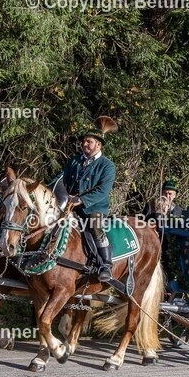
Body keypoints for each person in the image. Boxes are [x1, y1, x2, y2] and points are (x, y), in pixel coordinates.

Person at [55, 116, 118, 281]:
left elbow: (103, 191)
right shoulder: (75, 161)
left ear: (98, 144)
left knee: (95, 225)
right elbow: (60, 178)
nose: (84, 144)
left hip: (94, 207)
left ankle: (106, 265)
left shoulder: (107, 165)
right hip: (69, 204)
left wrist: (80, 200)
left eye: (89, 141)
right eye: (84, 141)